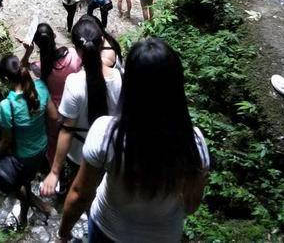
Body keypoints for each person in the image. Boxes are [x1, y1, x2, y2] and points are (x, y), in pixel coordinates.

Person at [57, 38, 209, 242]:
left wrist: (64, 233)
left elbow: (80, 194)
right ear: (176, 86)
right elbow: (191, 206)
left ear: (130, 83)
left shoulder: (107, 133)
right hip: (163, 236)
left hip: (108, 230)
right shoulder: (194, 144)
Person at [41, 16, 122, 198]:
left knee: (83, 192)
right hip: (111, 151)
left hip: (81, 155)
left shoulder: (74, 83)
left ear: (77, 50)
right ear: (102, 42)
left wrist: (54, 172)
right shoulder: (118, 77)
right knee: (106, 192)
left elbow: (67, 129)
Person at [0, 54, 57, 226]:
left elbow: (7, 140)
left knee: (16, 183)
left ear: (7, 78)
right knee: (27, 180)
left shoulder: (6, 106)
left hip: (23, 155)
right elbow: (54, 117)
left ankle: (38, 207)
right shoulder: (40, 87)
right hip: (42, 147)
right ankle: (26, 215)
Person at [21, 23, 82, 161]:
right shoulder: (72, 54)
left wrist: (28, 52)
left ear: (37, 44)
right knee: (74, 135)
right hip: (75, 104)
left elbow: (22, 67)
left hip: (54, 113)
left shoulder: (40, 67)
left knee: (54, 143)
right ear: (54, 36)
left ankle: (56, 170)